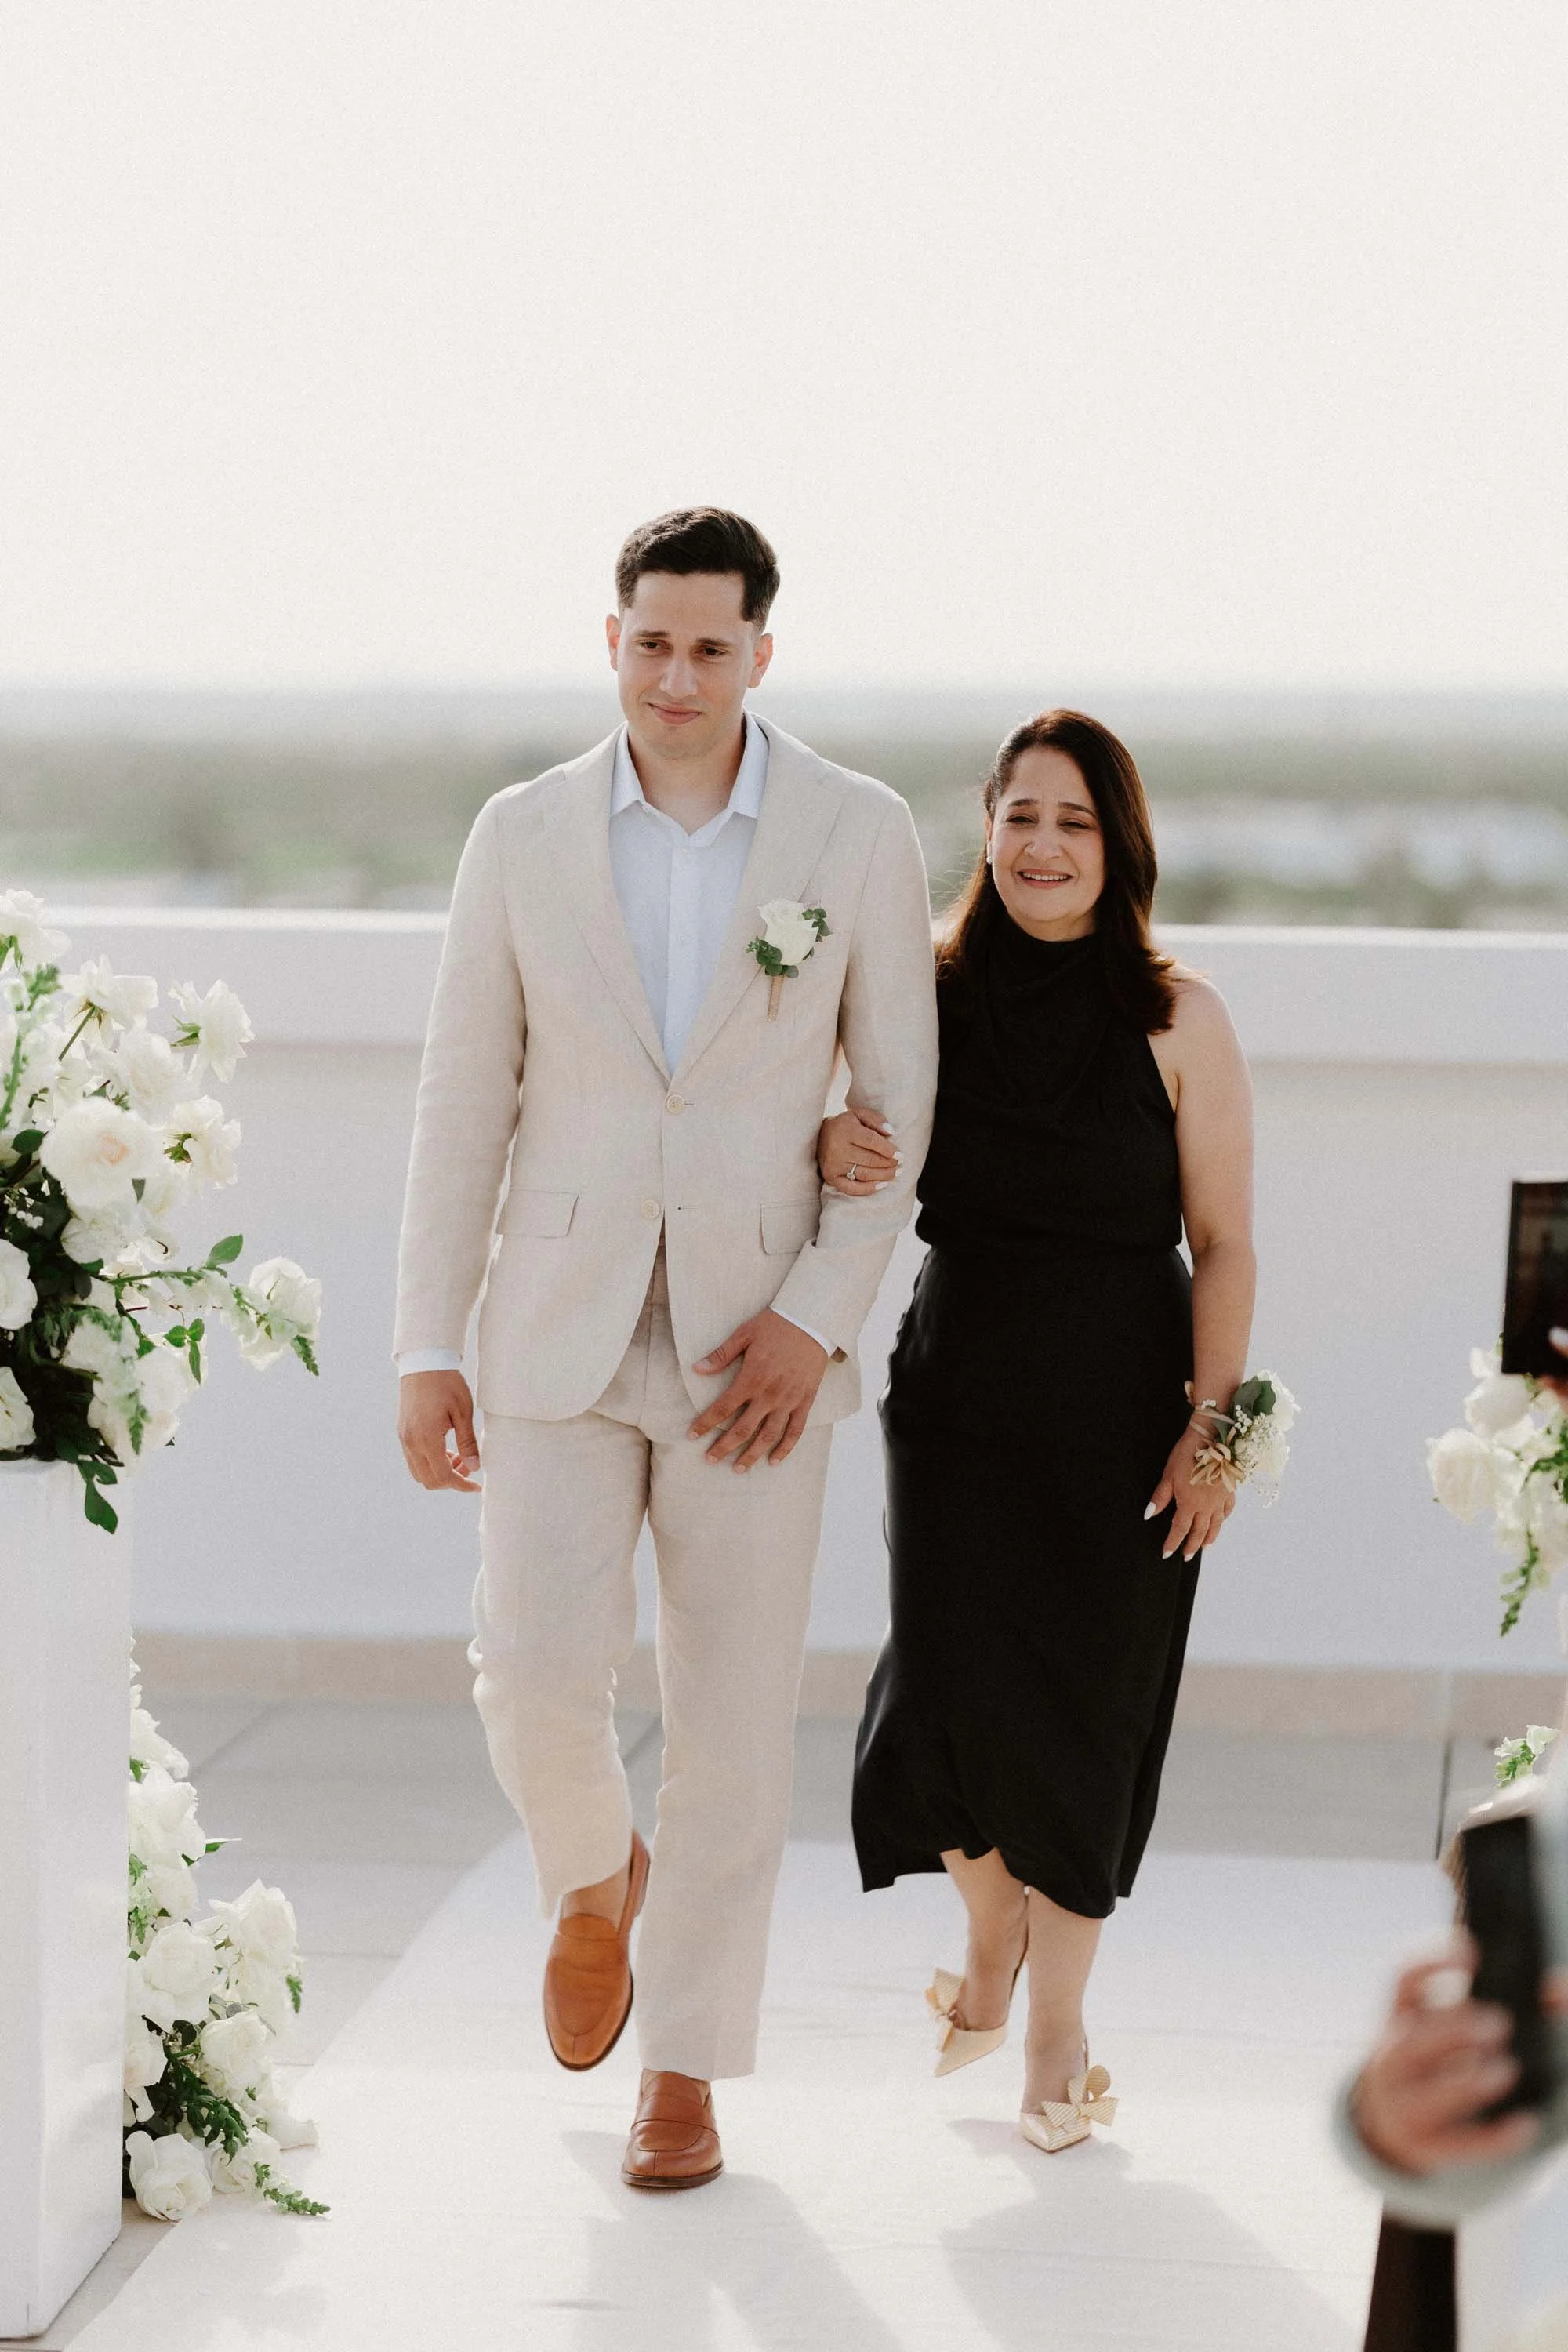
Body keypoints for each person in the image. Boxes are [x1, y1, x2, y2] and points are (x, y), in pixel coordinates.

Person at [394, 509, 938, 2190]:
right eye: (652, 641)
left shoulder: (855, 832)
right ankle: (588, 1875)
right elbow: (461, 1096)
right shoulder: (522, 832)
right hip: (551, 1326)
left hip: (754, 1357)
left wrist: (816, 1318)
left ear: (761, 654)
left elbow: (900, 1112)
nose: (678, 674)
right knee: (531, 1672)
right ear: (611, 642)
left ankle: (686, 2070)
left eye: (712, 646)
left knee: (731, 1717)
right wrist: (427, 1343)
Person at [818, 708, 1256, 2150]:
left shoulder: (1180, 1018)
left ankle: (1055, 2030)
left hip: (1126, 1407)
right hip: (958, 1397)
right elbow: (836, 1134)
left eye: (1072, 821)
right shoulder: (924, 994)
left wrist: (1215, 1435)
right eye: (1019, 816)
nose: (1042, 846)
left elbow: (1226, 1242)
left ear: (1117, 845)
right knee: (936, 1700)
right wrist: (830, 1136)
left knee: (1087, 1714)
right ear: (986, 830)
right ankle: (989, 1927)